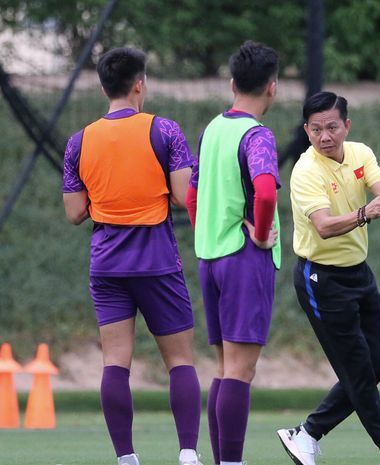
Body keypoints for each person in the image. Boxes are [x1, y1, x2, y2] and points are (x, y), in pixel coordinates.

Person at [62, 47, 202, 465]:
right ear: (140, 83)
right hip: (157, 261)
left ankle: (126, 457)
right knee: (179, 360)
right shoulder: (166, 131)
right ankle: (188, 453)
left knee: (114, 362)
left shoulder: (79, 140)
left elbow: (73, 213)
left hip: (107, 264)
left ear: (105, 86)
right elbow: (182, 197)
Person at [277, 91, 380, 465]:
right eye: (316, 129)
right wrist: (366, 212)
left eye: (332, 127)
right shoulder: (305, 171)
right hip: (320, 280)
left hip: (359, 273)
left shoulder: (360, 154)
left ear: (346, 125)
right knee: (359, 371)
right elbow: (325, 227)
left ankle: (307, 433)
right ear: (306, 131)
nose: (325, 136)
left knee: (375, 366)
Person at [185, 41, 280, 465]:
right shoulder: (256, 133)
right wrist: (260, 235)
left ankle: (225, 460)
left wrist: (206, 232)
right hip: (244, 259)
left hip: (210, 259)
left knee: (224, 368)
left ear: (231, 83)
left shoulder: (211, 129)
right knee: (242, 370)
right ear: (272, 87)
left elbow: (191, 195)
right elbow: (263, 192)